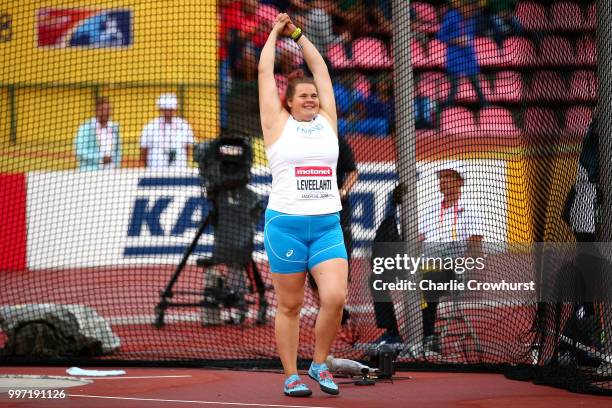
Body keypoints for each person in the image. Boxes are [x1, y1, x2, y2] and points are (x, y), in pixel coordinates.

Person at [259, 13, 347, 397]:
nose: (311, 98)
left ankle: (319, 364)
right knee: (291, 306)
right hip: (286, 225)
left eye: (313, 94)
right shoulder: (276, 125)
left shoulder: (328, 120)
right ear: (289, 103)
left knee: (335, 298)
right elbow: (264, 73)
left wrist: (297, 34)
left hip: (327, 225)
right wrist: (274, 35)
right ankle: (291, 374)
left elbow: (320, 68)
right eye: (303, 96)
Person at [418, 161, 483, 353]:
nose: (444, 181)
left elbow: (476, 248)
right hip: (427, 265)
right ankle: (393, 333)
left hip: (455, 271)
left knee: (427, 279)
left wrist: (459, 264)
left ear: (460, 182)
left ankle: (428, 336)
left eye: (449, 177)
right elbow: (418, 242)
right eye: (441, 177)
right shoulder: (430, 211)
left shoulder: (471, 209)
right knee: (380, 277)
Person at [437, 0, 486, 107]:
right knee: (454, 87)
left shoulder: (472, 19)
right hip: (455, 56)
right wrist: (456, 40)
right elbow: (440, 35)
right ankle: (447, 110)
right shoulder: (451, 16)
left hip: (468, 55)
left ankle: (486, 108)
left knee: (477, 85)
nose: (471, 11)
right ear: (464, 6)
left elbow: (471, 35)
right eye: (469, 8)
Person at [140, 93, 195, 169]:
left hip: (179, 170)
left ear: (175, 109)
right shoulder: (150, 126)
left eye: (170, 110)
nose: (168, 113)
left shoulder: (184, 125)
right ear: (160, 109)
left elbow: (188, 148)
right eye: (165, 110)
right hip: (155, 171)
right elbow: (144, 151)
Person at [75, 96, 122, 171]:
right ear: (96, 110)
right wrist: (101, 157)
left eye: (108, 110)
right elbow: (80, 152)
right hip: (89, 172)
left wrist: (116, 164)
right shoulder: (85, 128)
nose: (105, 113)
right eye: (102, 110)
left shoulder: (115, 127)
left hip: (112, 172)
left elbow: (118, 151)